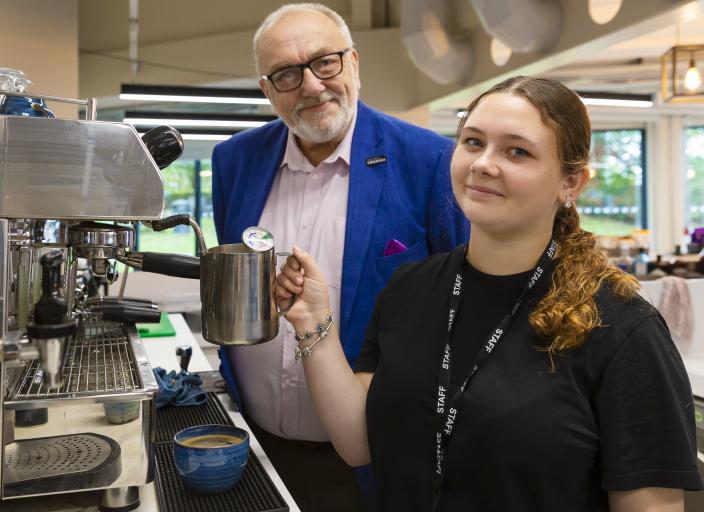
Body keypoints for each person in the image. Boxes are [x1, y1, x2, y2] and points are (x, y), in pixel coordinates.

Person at [276, 76, 704, 511]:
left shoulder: (622, 326)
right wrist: (314, 326)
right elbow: (358, 443)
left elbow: (652, 506)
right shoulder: (409, 288)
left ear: (570, 183)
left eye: (517, 151)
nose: (483, 163)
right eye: (473, 142)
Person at [211, 3, 467, 510]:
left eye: (324, 62)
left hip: (377, 460)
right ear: (267, 90)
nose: (310, 86)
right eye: (286, 74)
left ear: (353, 61)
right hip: (255, 445)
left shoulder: (429, 160)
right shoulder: (234, 160)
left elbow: (463, 306)